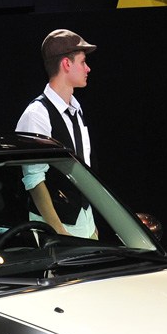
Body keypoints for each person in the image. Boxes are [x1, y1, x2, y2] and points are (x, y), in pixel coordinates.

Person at [15, 29, 98, 239]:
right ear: (66, 64)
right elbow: (34, 180)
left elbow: (83, 168)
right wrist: (58, 232)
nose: (88, 68)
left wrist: (91, 225)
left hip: (85, 223)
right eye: (83, 62)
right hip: (57, 230)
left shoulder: (76, 109)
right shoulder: (36, 114)